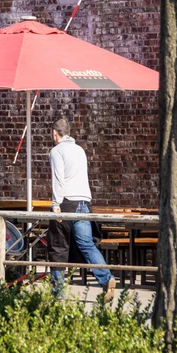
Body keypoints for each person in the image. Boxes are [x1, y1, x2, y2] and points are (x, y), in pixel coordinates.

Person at [48, 118, 116, 301]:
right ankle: (107, 278)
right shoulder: (80, 150)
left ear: (55, 132)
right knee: (86, 244)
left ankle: (58, 295)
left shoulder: (56, 151)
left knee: (58, 247)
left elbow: (58, 180)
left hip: (67, 203)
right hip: (84, 203)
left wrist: (56, 206)